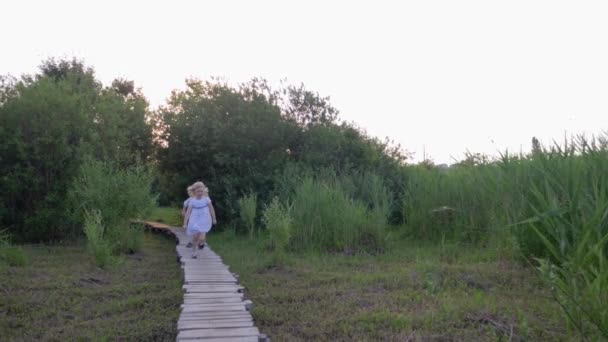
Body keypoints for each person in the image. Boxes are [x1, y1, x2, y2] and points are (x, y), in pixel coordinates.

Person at [183, 181, 217, 258]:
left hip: (205, 219)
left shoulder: (206, 199)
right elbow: (188, 213)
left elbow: (211, 209)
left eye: (201, 191)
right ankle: (194, 252)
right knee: (195, 237)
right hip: (194, 219)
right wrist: (185, 223)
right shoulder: (192, 201)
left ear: (204, 191)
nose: (200, 193)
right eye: (198, 191)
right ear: (194, 192)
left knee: (201, 237)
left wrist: (214, 218)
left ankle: (201, 243)